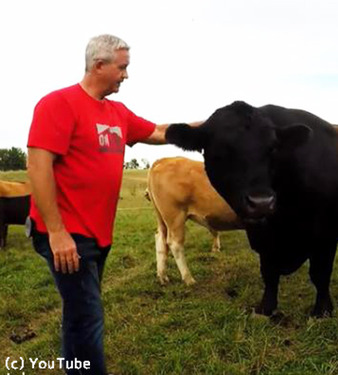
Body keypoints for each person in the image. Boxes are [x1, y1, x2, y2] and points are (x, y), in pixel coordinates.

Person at [26, 34, 200, 375]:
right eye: (122, 68)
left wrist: (212, 127)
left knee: (78, 314)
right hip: (66, 235)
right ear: (99, 65)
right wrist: (58, 233)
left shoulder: (117, 112)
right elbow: (38, 166)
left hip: (96, 236)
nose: (126, 75)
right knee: (88, 317)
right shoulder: (57, 104)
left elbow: (159, 132)